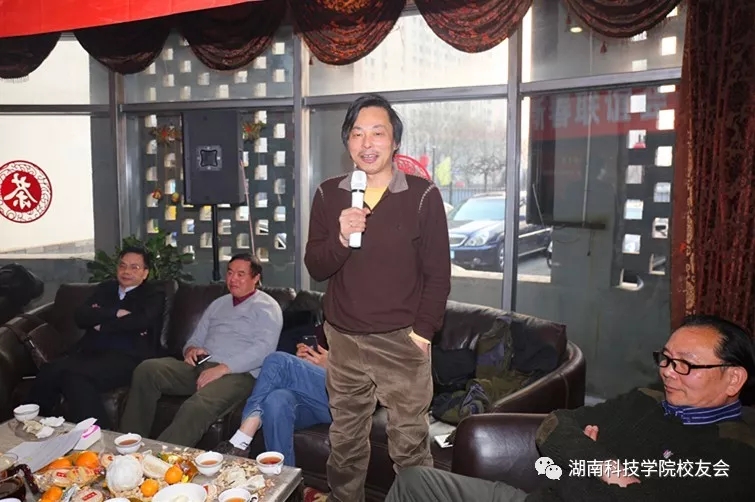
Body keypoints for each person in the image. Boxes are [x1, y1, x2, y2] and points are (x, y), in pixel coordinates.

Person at [386, 314, 755, 502]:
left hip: (562, 492)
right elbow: (555, 425)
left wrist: (577, 464)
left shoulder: (734, 455)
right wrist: (606, 466)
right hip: (538, 498)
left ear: (734, 379)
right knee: (414, 481)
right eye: (667, 359)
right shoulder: (645, 399)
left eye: (686, 364)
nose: (669, 372)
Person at [304, 93, 451, 502]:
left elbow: (438, 275)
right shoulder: (329, 193)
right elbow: (316, 266)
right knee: (345, 442)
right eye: (357, 134)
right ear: (347, 142)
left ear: (394, 141)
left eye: (377, 133)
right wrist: (340, 237)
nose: (367, 143)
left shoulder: (422, 195)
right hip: (344, 341)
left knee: (410, 446)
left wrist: (422, 334)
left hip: (401, 342)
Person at [119, 253, 283, 447]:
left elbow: (264, 350)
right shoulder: (218, 304)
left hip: (239, 374)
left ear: (256, 278)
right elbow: (196, 338)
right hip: (202, 366)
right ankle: (128, 446)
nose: (233, 279)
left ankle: (159, 457)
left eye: (241, 274)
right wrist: (190, 349)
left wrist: (223, 368)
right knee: (147, 370)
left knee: (196, 405)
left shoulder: (267, 307)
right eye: (230, 273)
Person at [27, 247, 165, 430]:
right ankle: (46, 428)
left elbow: (140, 321)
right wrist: (116, 312)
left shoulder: (153, 294)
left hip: (127, 358)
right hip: (90, 353)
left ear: (145, 273)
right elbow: (81, 316)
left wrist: (102, 323)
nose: (126, 271)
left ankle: (33, 422)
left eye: (134, 267)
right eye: (122, 265)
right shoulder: (105, 289)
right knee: (66, 376)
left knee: (62, 372)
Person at [215, 341, 331, 464]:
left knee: (277, 360)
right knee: (276, 400)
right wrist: (307, 363)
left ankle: (241, 439)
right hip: (321, 398)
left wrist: (333, 365)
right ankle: (282, 473)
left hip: (342, 399)